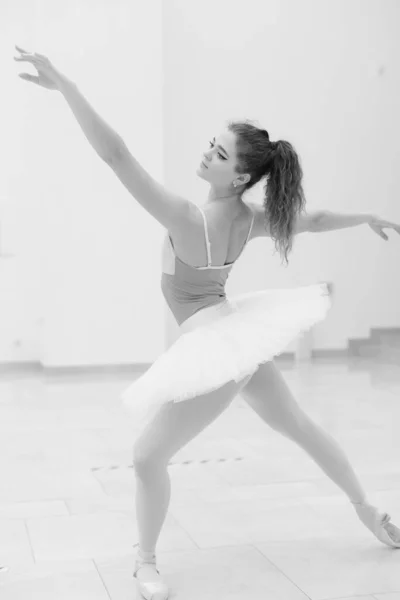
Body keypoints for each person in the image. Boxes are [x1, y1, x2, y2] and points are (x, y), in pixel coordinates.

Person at [15, 46, 400, 600]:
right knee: (299, 427)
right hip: (234, 335)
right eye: (211, 145)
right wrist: (364, 216)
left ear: (240, 173)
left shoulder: (187, 216)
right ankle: (368, 509)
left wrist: (67, 86)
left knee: (147, 456)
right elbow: (310, 221)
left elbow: (117, 155)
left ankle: (144, 563)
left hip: (218, 343)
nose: (208, 154)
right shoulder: (248, 218)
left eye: (218, 154)